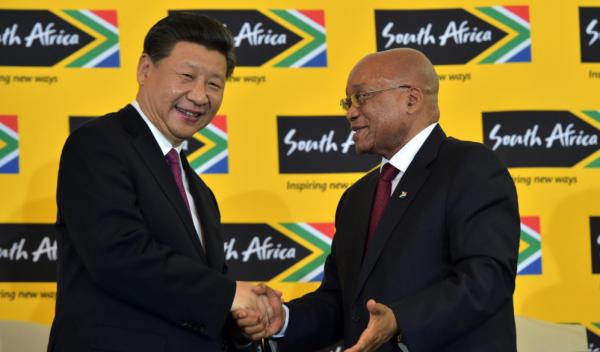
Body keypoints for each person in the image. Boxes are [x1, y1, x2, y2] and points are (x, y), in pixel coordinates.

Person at [236, 48, 521, 351]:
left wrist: (401, 319)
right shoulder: (356, 198)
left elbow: (487, 279)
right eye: (348, 101)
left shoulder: (469, 166)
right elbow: (340, 302)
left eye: (362, 97)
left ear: (411, 99)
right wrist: (286, 319)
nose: (350, 112)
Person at [48, 13, 275, 352]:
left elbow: (198, 292)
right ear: (144, 70)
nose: (199, 96)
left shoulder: (198, 189)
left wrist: (242, 320)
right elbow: (118, 256)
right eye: (187, 76)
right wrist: (229, 294)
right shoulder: (98, 144)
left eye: (214, 84)